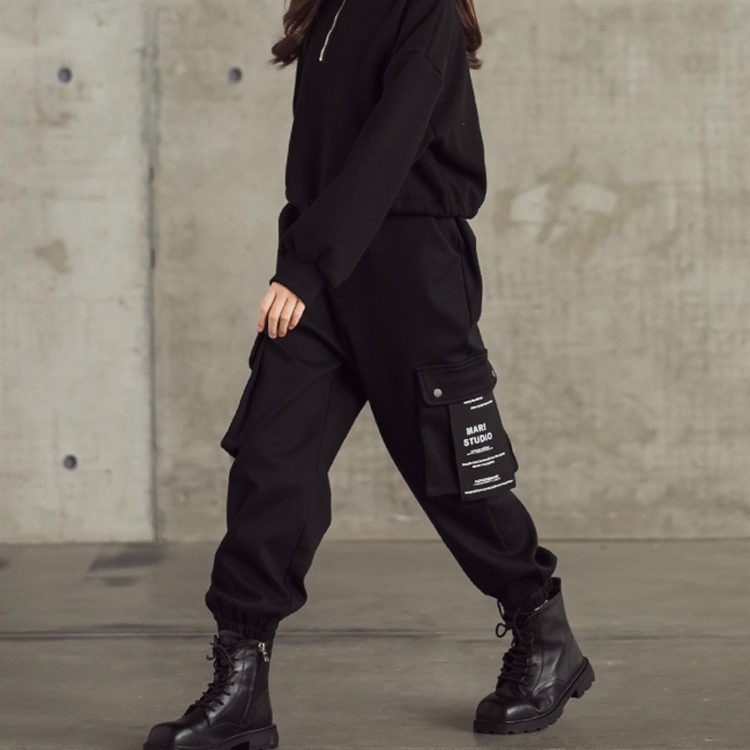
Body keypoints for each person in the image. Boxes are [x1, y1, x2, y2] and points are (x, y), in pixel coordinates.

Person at [142, 1, 595, 748]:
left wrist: (306, 266)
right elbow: (318, 165)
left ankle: (544, 633)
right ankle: (242, 685)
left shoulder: (425, 12)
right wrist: (302, 259)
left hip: (412, 270)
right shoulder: (328, 10)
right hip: (322, 269)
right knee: (270, 461)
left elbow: (390, 145)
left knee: (451, 475)